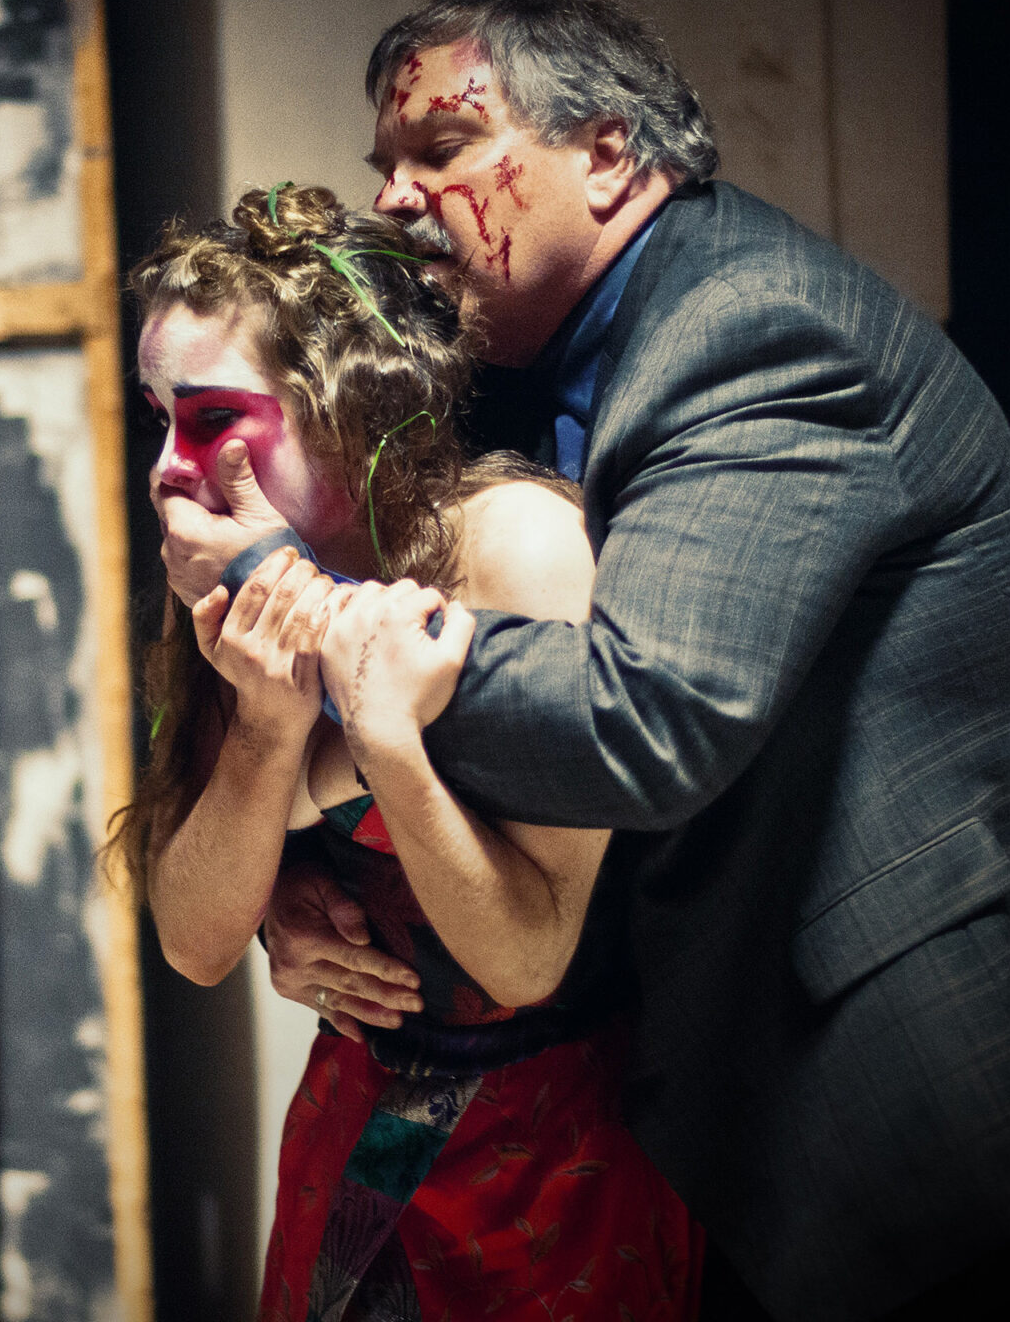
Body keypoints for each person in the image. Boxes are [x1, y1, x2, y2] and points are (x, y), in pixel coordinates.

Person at [156, 0, 1010, 1322]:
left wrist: (329, 670)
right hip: (657, 1039)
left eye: (444, 147)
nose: (396, 198)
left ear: (606, 152)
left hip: (897, 1027)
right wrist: (296, 881)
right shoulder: (506, 349)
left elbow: (647, 719)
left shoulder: (753, 328)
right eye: (384, 163)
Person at [114, 184, 702, 1322]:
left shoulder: (512, 547)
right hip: (362, 1112)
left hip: (556, 1144)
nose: (167, 468)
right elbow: (191, 940)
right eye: (158, 419)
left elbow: (528, 957)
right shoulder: (232, 569)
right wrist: (267, 734)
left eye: (211, 418)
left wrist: (382, 746)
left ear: (343, 404)